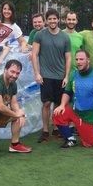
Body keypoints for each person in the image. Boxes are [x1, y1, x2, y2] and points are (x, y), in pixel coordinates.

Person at [53, 50, 93, 148]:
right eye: (76, 59)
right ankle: (70, 139)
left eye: (81, 59)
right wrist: (62, 105)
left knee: (88, 143)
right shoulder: (73, 74)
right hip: (75, 111)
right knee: (57, 113)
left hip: (88, 115)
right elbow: (67, 92)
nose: (78, 62)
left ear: (88, 60)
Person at [31, 8, 72, 143]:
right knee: (47, 103)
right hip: (45, 76)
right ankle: (45, 131)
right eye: (50, 19)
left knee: (58, 104)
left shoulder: (65, 37)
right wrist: (37, 73)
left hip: (60, 76)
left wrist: (66, 76)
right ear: (46, 21)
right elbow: (34, 55)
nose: (52, 21)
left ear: (58, 20)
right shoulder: (40, 35)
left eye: (55, 18)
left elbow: (68, 58)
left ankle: (56, 128)